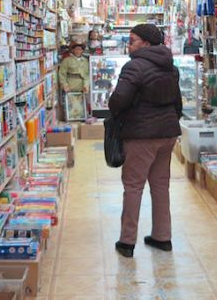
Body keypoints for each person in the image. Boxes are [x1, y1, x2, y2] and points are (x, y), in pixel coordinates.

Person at [108, 23, 182, 258]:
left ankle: (127, 241)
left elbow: (118, 100)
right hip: (168, 133)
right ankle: (163, 237)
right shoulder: (171, 66)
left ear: (146, 44)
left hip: (141, 136)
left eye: (132, 40)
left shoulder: (134, 66)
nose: (128, 44)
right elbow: (177, 103)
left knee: (133, 186)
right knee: (161, 186)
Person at [58, 43, 90, 118]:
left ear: (82, 51)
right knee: (71, 104)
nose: (78, 51)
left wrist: (86, 85)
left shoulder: (85, 61)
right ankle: (71, 118)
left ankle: (81, 117)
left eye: (80, 49)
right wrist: (64, 85)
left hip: (81, 85)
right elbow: (62, 74)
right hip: (71, 84)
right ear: (73, 50)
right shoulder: (67, 60)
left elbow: (87, 75)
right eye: (76, 49)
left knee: (81, 104)